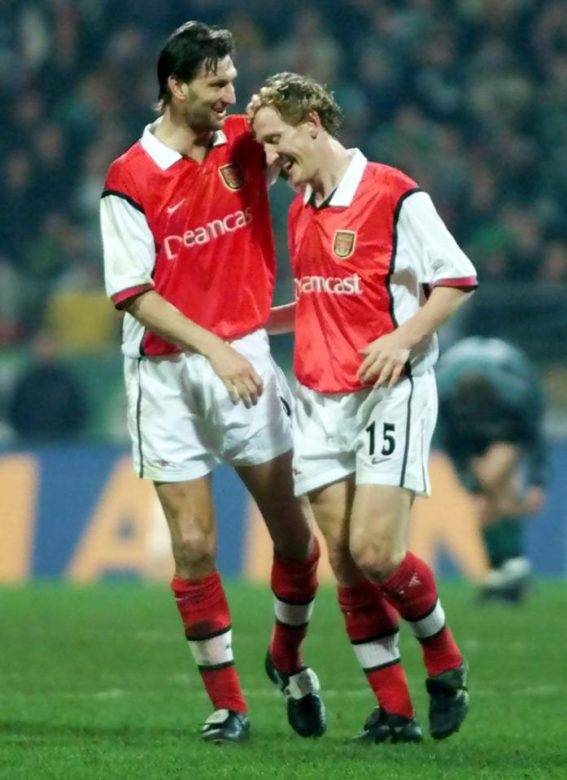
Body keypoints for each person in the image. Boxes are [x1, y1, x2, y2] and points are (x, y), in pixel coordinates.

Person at [99, 25, 326, 744]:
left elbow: (313, 144)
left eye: (233, 82)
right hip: (169, 374)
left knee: (296, 540)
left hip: (248, 360)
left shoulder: (243, 143)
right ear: (176, 86)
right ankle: (230, 705)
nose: (230, 94)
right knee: (194, 545)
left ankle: (286, 658)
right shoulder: (128, 178)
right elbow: (135, 292)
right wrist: (215, 351)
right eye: (218, 84)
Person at [250, 72, 478, 743]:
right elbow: (324, 299)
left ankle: (445, 660)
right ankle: (395, 713)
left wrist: (402, 338)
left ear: (312, 121)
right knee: (344, 564)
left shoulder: (392, 192)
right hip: (318, 399)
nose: (269, 159)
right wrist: (257, 322)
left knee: (376, 550)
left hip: (388, 390)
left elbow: (456, 278)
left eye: (274, 141)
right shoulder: (300, 207)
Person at [435, 336, 546, 603]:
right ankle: (506, 573)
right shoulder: (441, 395)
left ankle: (508, 570)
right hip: (468, 436)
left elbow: (533, 432)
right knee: (488, 500)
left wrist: (536, 483)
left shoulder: (517, 395)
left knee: (491, 480)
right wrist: (470, 485)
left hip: (508, 429)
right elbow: (449, 442)